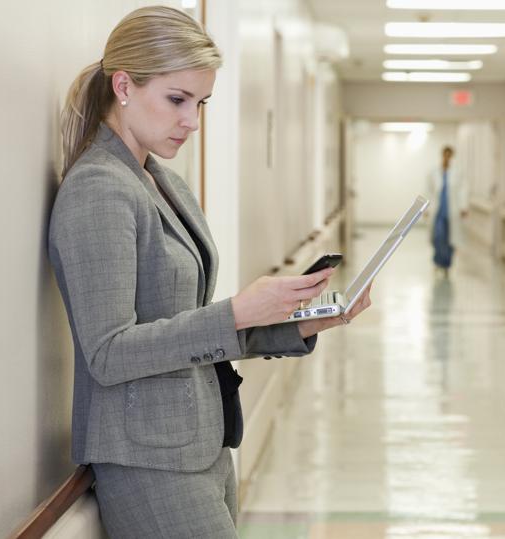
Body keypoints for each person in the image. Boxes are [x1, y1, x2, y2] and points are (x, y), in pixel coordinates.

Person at [47, 7, 370, 537]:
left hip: (203, 443)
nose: (191, 121)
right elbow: (107, 353)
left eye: (200, 103)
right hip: (146, 461)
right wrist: (238, 310)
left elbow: (188, 330)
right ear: (123, 85)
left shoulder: (164, 184)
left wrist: (305, 322)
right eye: (177, 99)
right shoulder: (98, 189)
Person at [426, 145, 468, 277]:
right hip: (438, 212)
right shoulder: (433, 172)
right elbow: (428, 191)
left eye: (449, 155)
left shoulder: (457, 172)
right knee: (438, 238)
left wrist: (463, 206)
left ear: (452, 156)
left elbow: (463, 190)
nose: (447, 157)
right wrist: (426, 208)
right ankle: (438, 261)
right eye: (445, 154)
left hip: (452, 212)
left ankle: (446, 265)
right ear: (442, 155)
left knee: (450, 240)